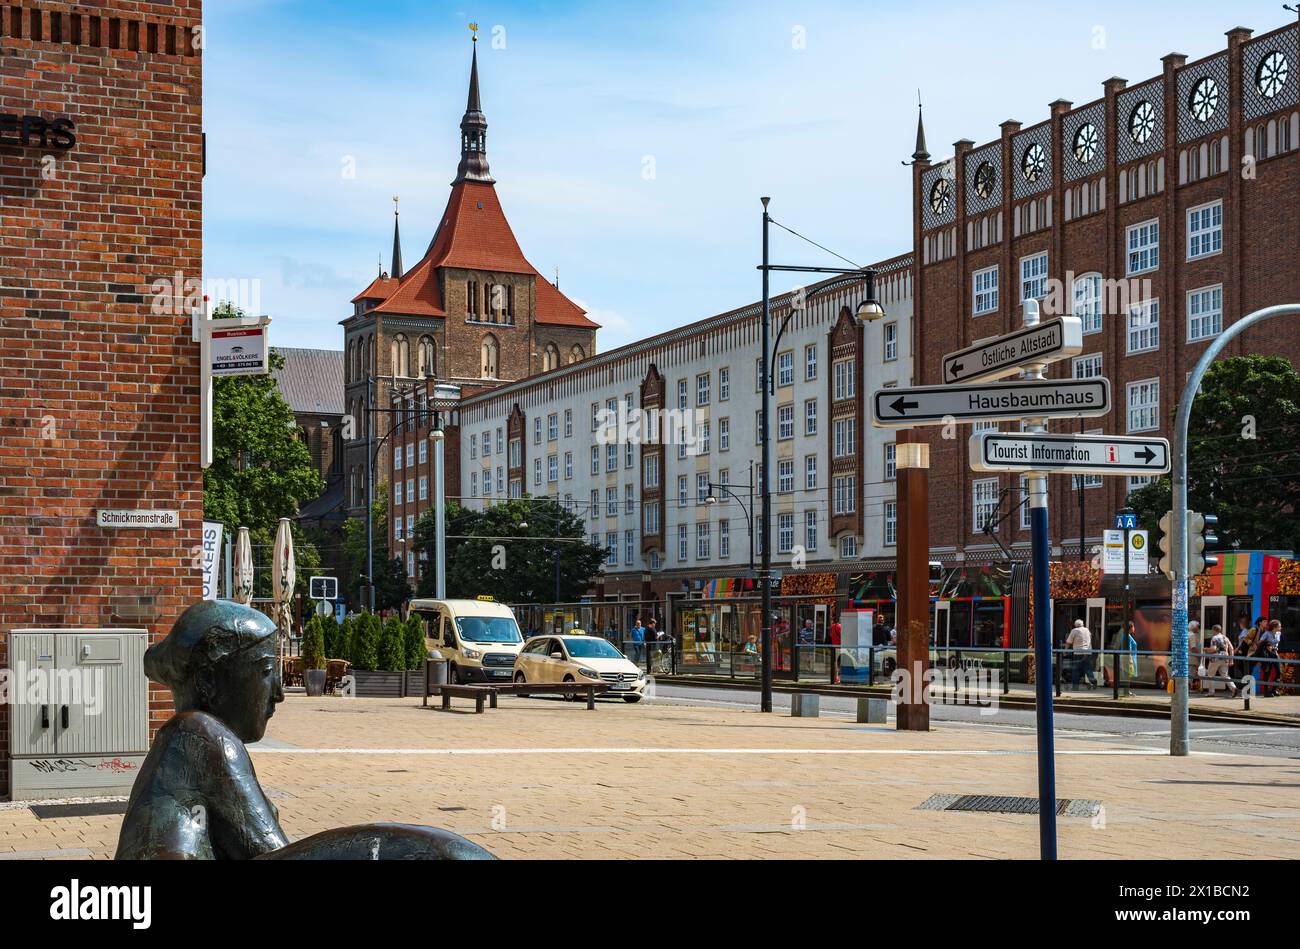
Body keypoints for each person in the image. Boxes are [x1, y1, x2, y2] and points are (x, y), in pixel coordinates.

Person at [116, 601, 492, 860]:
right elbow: (274, 855)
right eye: (266, 672)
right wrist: (407, 847)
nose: (279, 693)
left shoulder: (186, 738)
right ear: (212, 681)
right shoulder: (199, 736)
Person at [1203, 624, 1237, 697]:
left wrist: (1206, 649)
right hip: (1225, 658)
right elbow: (1231, 648)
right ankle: (1233, 688)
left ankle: (1211, 692)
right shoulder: (1225, 638)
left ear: (1214, 630)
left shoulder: (1214, 638)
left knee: (1210, 674)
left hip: (1215, 658)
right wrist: (1231, 660)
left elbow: (1214, 649)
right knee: (1225, 675)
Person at [1065, 618, 1097, 689]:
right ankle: (1093, 682)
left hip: (1078, 653)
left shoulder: (1074, 631)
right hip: (1088, 652)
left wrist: (1065, 651)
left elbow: (1068, 642)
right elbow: (1090, 637)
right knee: (1088, 668)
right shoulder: (1087, 630)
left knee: (1075, 669)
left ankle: (1075, 686)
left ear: (1075, 625)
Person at [1260, 620, 1283, 697]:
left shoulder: (1278, 633)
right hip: (1268, 654)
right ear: (1274, 627)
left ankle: (1273, 690)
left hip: (1275, 654)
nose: (1281, 628)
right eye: (1279, 626)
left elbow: (1277, 643)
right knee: (1267, 672)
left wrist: (1275, 648)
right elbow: (1260, 642)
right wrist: (1267, 645)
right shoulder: (1266, 633)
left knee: (1279, 672)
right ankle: (1266, 692)